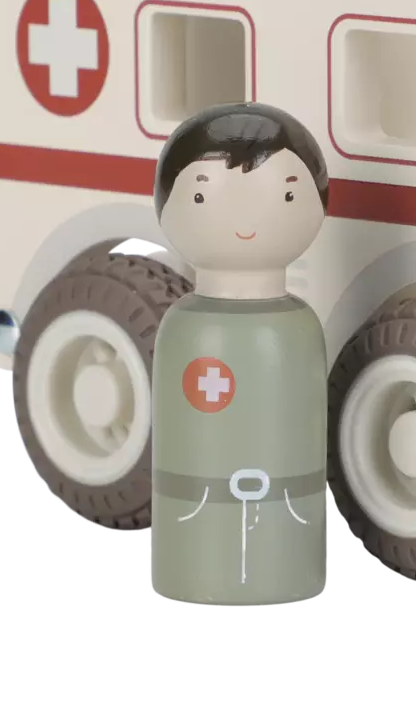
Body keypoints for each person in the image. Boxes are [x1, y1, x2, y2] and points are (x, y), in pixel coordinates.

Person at [150, 102, 329, 606]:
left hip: (285, 506)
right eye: (202, 195)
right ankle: (197, 571)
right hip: (199, 505)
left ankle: (276, 571)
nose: (246, 221)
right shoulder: (189, 328)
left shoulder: (294, 328)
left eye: (285, 194)